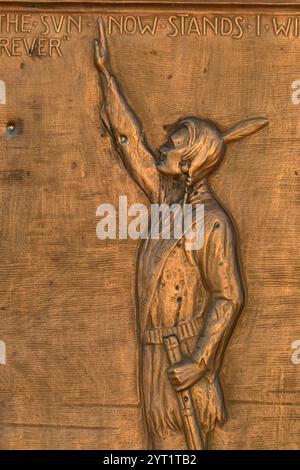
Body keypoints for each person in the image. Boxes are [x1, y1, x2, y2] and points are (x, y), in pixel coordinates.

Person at [94, 18, 268, 449]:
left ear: (191, 163)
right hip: (154, 356)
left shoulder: (213, 222)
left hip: (184, 356)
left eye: (173, 144)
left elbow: (230, 296)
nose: (163, 148)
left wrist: (200, 362)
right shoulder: (166, 202)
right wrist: (107, 79)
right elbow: (129, 141)